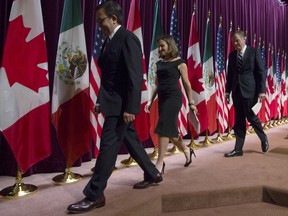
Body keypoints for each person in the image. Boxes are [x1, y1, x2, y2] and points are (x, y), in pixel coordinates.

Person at [67, 1, 162, 214]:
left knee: (108, 148)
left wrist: (131, 107)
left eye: (101, 20)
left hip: (122, 107)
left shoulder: (128, 38)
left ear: (114, 19)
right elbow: (108, 77)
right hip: (112, 103)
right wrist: (101, 100)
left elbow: (135, 76)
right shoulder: (108, 41)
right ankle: (153, 173)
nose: (99, 24)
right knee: (132, 141)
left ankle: (95, 194)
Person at [145, 35, 197, 174]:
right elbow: (157, 85)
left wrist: (191, 103)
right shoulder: (159, 64)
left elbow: (187, 84)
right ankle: (186, 149)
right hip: (162, 99)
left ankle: (159, 163)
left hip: (174, 99)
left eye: (162, 46)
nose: (160, 49)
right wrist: (150, 101)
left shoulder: (180, 63)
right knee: (170, 131)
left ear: (170, 46)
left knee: (163, 129)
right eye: (159, 46)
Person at [224, 30, 269, 157]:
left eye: (237, 40)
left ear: (244, 38)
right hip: (236, 91)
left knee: (251, 117)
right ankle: (238, 149)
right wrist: (227, 91)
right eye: (233, 42)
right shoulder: (232, 55)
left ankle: (263, 138)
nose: (235, 43)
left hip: (250, 91)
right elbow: (230, 75)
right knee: (238, 120)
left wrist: (262, 91)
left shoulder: (254, 52)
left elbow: (261, 72)